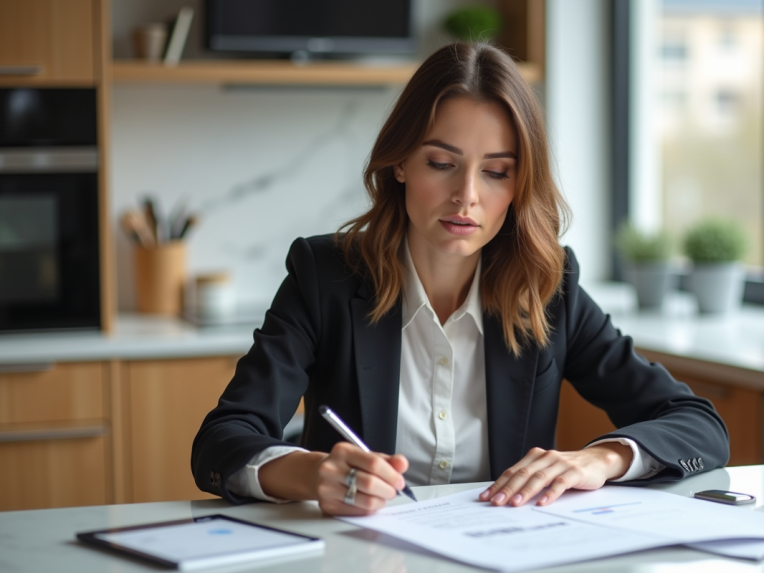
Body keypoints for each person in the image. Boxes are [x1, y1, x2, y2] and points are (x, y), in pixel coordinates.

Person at [192, 42, 729, 516]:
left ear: (520, 183)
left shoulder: (549, 287)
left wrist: (601, 459)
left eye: (496, 172)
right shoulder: (325, 276)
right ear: (400, 163)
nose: (467, 195)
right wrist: (313, 475)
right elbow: (221, 442)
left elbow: (696, 423)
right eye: (441, 163)